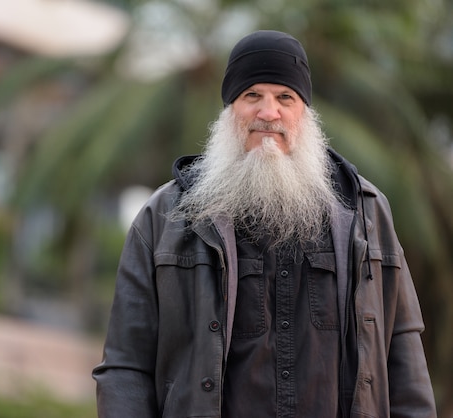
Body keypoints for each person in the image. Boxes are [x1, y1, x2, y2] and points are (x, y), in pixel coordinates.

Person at [92, 30, 436, 418]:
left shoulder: (366, 215)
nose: (268, 113)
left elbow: (403, 360)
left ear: (305, 114)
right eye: (252, 95)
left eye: (285, 98)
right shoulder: (163, 218)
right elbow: (125, 367)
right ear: (229, 111)